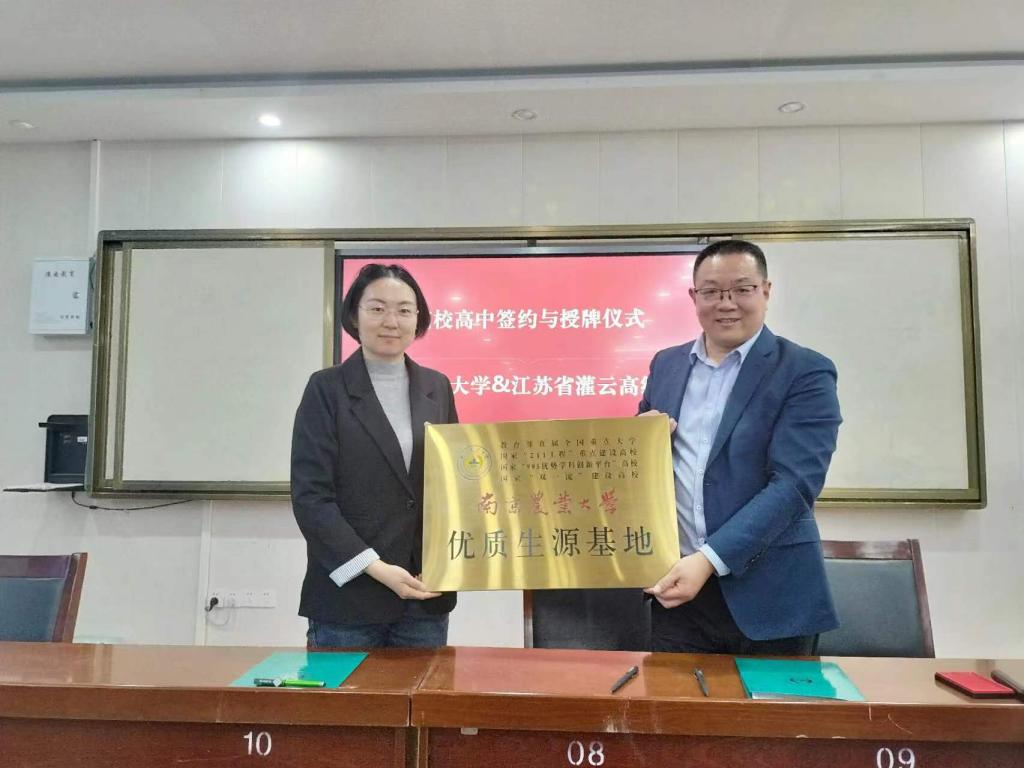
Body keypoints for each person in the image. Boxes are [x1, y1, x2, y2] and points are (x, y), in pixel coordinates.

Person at [639, 239, 841, 655]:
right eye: (711, 291)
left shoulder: (805, 370)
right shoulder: (666, 364)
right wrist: (641, 442)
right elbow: (643, 467)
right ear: (693, 296)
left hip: (770, 598)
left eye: (742, 289)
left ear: (765, 291)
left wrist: (708, 559)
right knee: (674, 700)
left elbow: (794, 486)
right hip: (677, 595)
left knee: (769, 703)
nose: (726, 303)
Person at [291, 263, 457, 648]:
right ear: (354, 315)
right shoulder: (326, 388)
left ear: (418, 319)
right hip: (348, 597)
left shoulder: (437, 387)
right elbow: (312, 499)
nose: (391, 321)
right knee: (344, 692)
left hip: (424, 594)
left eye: (404, 310)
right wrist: (376, 568)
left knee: (425, 691)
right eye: (377, 308)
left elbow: (451, 486)